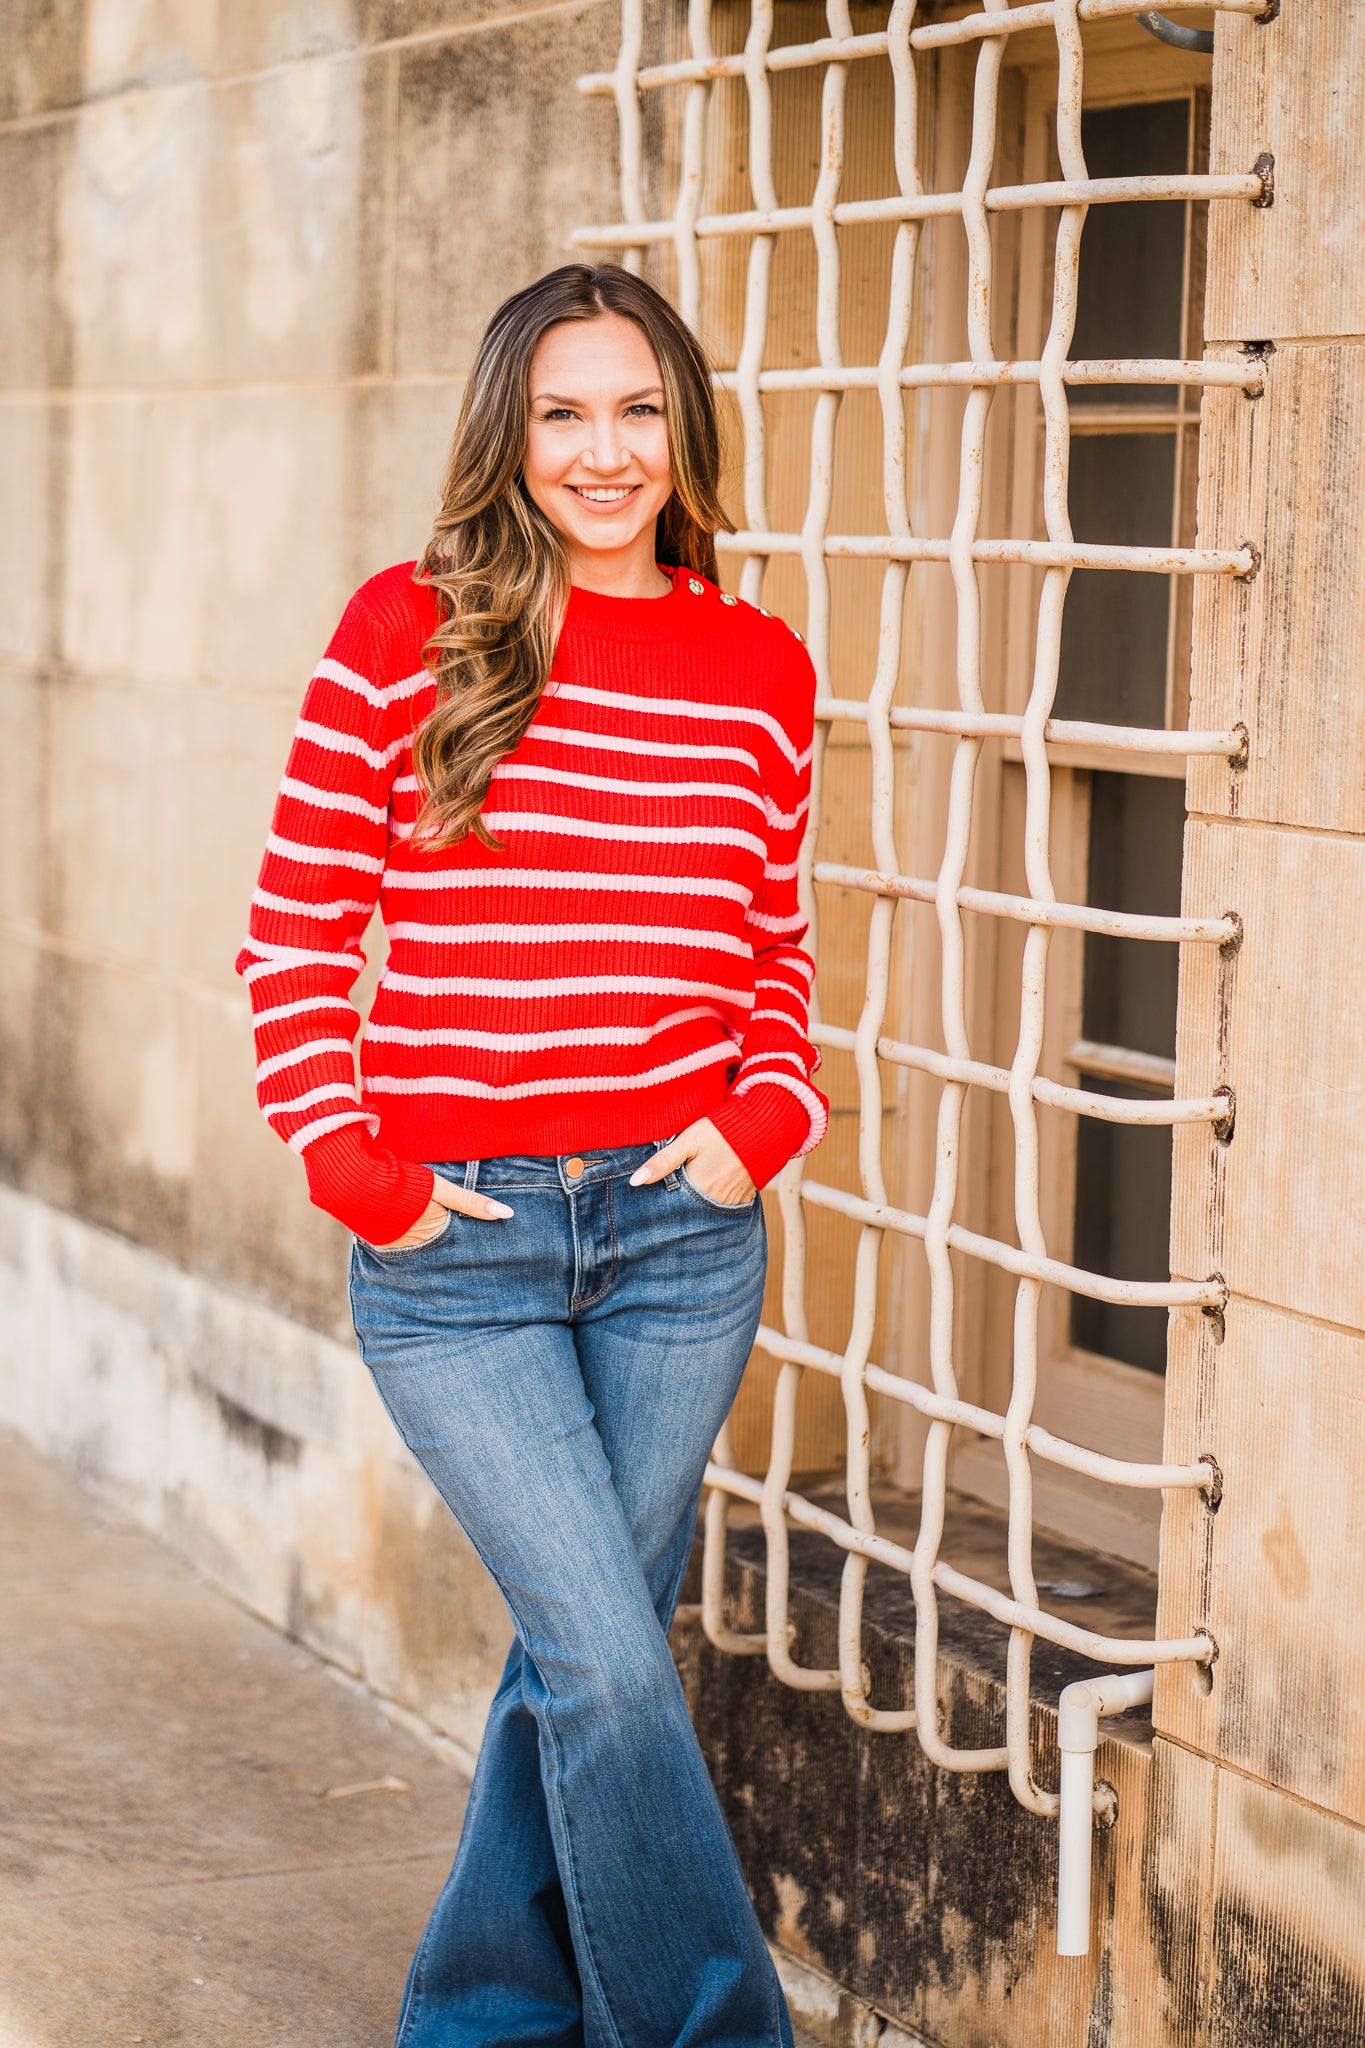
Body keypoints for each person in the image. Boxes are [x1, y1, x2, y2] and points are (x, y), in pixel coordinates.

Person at [236, 262, 826, 2048]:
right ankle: (713, 2027)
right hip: (458, 1252)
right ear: (508, 431)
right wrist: (367, 1177)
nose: (602, 451)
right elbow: (292, 933)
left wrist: (758, 1128)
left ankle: (485, 2013)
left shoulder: (757, 668)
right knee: (608, 1662)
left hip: (677, 1231)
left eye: (637, 409)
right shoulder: (405, 632)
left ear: (684, 429)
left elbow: (771, 953)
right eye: (562, 412)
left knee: (591, 1663)